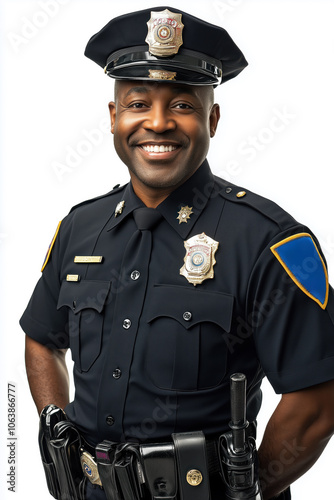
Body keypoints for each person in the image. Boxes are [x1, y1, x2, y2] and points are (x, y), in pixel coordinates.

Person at [20, 6, 334, 500]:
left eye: (183, 105)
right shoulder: (79, 228)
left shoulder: (270, 241)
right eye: (138, 103)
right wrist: (53, 422)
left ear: (212, 117)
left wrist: (249, 492)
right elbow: (42, 339)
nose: (158, 123)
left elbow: (316, 399)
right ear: (114, 117)